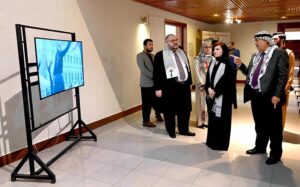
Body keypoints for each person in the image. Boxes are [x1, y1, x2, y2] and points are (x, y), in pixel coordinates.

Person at [234, 31, 288, 165]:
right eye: (255, 40)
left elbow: (282, 76)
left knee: (274, 127)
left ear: (266, 41)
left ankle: (275, 154)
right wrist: (241, 65)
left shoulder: (279, 53)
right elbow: (250, 74)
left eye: (257, 40)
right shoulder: (255, 55)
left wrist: (277, 95)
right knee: (260, 124)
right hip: (256, 95)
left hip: (270, 97)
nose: (255, 43)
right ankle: (260, 147)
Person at [153, 34, 195, 138]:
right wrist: (157, 88)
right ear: (166, 43)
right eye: (172, 40)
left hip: (184, 86)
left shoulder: (182, 53)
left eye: (176, 39)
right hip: (169, 87)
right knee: (170, 110)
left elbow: (187, 68)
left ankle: (184, 129)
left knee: (185, 110)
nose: (175, 42)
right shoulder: (160, 55)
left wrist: (189, 82)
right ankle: (171, 130)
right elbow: (156, 73)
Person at [204, 42, 235, 151]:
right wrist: (208, 88)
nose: (214, 51)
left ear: (224, 50)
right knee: (212, 120)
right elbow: (208, 78)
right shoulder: (213, 62)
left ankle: (221, 144)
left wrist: (216, 91)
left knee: (222, 121)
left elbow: (228, 83)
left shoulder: (229, 64)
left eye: (217, 49)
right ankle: (211, 141)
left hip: (224, 98)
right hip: (212, 96)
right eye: (214, 49)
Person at [137, 39, 164, 128]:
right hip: (146, 84)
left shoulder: (153, 56)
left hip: (155, 83)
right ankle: (146, 121)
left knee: (157, 101)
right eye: (150, 44)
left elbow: (157, 69)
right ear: (145, 46)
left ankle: (158, 114)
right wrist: (155, 77)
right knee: (146, 104)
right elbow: (143, 70)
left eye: (152, 44)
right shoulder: (140, 56)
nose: (152, 46)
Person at [272, 32, 296, 128]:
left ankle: (280, 128)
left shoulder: (289, 53)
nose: (273, 41)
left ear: (282, 40)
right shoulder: (272, 52)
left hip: (283, 87)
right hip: (272, 86)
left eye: (275, 39)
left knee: (281, 109)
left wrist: (286, 87)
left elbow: (290, 72)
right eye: (272, 39)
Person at [194, 41, 216, 128]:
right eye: (206, 47)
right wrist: (201, 83)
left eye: (209, 47)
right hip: (201, 84)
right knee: (201, 103)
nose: (208, 49)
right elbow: (196, 72)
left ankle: (206, 121)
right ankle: (200, 122)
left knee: (208, 103)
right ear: (202, 48)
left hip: (210, 84)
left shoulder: (213, 59)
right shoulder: (197, 59)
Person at [228, 41, 240, 109]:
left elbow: (238, 59)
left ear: (233, 44)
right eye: (228, 44)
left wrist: (237, 67)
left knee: (233, 86)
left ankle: (234, 103)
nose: (229, 45)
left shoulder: (236, 51)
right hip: (227, 70)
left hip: (233, 70)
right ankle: (229, 101)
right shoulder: (227, 51)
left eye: (230, 44)